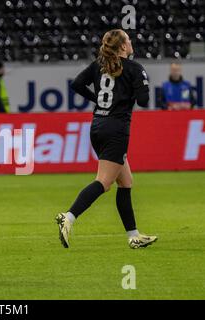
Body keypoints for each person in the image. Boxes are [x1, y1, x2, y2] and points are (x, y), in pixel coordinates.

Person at [56, 29, 157, 249]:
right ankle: (69, 217)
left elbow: (76, 85)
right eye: (128, 40)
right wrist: (142, 82)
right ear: (122, 46)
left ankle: (134, 236)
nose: (131, 43)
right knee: (104, 182)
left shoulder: (98, 66)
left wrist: (99, 101)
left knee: (126, 182)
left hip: (98, 126)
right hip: (117, 129)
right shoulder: (134, 68)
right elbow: (144, 100)